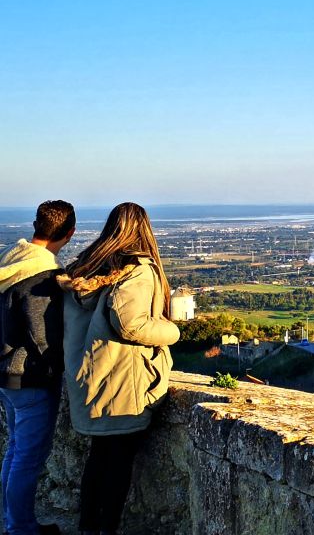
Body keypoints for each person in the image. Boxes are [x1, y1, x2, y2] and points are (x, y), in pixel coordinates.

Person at [59, 203, 179, 535]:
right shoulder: (138, 270)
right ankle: (106, 528)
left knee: (99, 458)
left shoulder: (85, 266)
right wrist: (172, 331)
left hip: (88, 377)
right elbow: (129, 324)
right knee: (118, 464)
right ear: (144, 229)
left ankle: (87, 527)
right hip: (121, 382)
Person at [0, 200, 76, 535]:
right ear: (70, 233)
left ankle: (13, 521)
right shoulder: (42, 277)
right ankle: (21, 529)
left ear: (36, 224)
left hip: (5, 371)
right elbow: (43, 337)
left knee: (15, 451)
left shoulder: (9, 259)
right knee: (27, 459)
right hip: (29, 376)